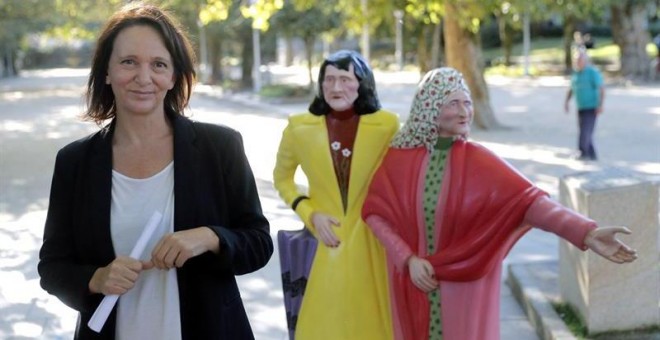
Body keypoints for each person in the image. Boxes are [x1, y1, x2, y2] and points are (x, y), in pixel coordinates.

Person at [37, 3, 273, 339]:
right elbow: (53, 267)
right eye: (128, 62)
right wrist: (97, 279)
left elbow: (259, 243)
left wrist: (210, 237)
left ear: (174, 75)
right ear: (107, 71)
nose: (143, 77)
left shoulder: (220, 147)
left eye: (158, 64)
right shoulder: (75, 161)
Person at [362, 67, 637, 340]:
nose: (464, 112)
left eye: (467, 102)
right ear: (429, 107)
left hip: (465, 288)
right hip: (412, 284)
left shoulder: (479, 160)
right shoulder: (399, 157)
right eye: (453, 103)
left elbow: (531, 203)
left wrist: (585, 232)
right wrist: (407, 258)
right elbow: (375, 212)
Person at [273, 49, 399, 339]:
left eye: (345, 79)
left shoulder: (387, 126)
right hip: (325, 243)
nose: (335, 87)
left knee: (375, 325)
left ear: (362, 83)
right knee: (322, 324)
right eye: (328, 80)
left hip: (372, 243)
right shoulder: (299, 127)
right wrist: (310, 214)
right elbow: (282, 178)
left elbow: (402, 177)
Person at [564, 51, 605, 161]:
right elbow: (571, 89)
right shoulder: (576, 74)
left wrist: (600, 105)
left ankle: (583, 153)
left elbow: (601, 88)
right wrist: (566, 102)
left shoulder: (592, 72)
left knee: (585, 131)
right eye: (576, 60)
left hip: (591, 107)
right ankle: (592, 154)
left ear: (585, 61)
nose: (578, 62)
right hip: (580, 107)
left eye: (580, 60)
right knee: (584, 130)